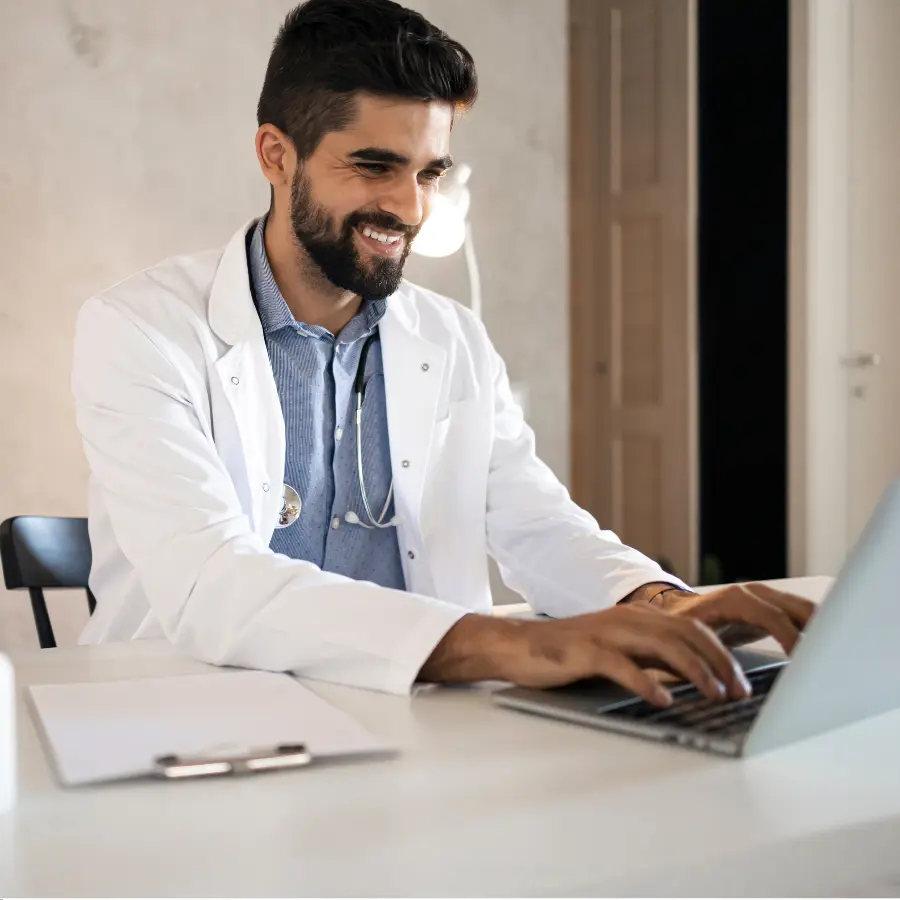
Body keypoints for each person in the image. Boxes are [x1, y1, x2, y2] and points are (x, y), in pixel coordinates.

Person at [71, 0, 813, 704]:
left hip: (416, 724)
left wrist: (662, 605)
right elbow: (212, 583)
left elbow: (536, 523)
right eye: (374, 166)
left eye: (429, 172)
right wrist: (521, 648)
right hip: (194, 721)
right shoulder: (139, 331)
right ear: (276, 155)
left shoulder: (451, 338)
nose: (411, 208)